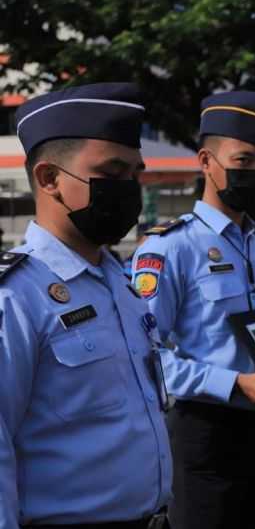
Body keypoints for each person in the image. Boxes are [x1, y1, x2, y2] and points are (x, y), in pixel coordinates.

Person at [0, 83, 172, 528]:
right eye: (112, 171)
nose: (129, 188)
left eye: (135, 173)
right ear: (49, 178)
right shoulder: (17, 295)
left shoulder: (119, 281)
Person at [131, 91, 255, 529]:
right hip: (202, 434)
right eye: (243, 161)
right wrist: (232, 383)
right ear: (206, 161)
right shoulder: (171, 247)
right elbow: (146, 359)